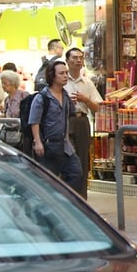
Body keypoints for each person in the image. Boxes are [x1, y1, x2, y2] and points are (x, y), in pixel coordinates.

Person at [30, 60, 84, 195]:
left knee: (76, 173)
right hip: (49, 145)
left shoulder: (65, 96)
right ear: (52, 76)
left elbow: (71, 112)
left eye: (66, 73)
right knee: (46, 182)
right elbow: (34, 121)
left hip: (65, 145)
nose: (65, 76)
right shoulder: (42, 97)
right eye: (61, 73)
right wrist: (38, 142)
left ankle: (64, 201)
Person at [64, 47, 102, 198]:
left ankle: (81, 198)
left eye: (80, 57)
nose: (78, 60)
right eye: (74, 58)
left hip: (82, 121)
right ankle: (67, 196)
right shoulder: (61, 81)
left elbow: (97, 107)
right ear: (67, 61)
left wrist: (85, 100)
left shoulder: (87, 83)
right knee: (67, 157)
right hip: (65, 120)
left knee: (82, 159)